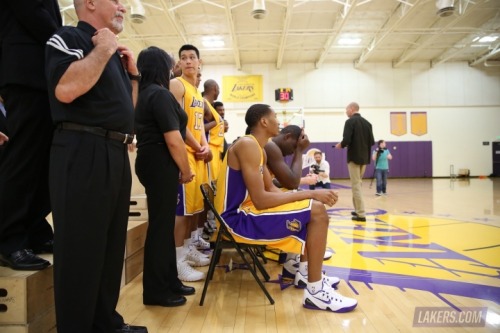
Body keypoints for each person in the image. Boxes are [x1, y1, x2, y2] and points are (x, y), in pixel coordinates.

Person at [45, 0, 147, 332]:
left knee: (109, 247)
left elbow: (125, 114)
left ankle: (105, 323)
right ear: (89, 2)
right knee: (80, 252)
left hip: (114, 151)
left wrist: (133, 78)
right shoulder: (68, 37)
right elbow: (65, 89)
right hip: (81, 149)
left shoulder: (113, 55)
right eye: (115, 0)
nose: (123, 6)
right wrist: (103, 50)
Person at [215, 104, 357, 313]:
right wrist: (310, 194)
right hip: (236, 221)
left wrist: (300, 198)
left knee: (312, 208)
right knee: (316, 210)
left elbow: (272, 189)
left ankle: (306, 273)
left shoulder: (258, 148)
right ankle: (315, 292)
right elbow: (262, 200)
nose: (278, 123)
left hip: (247, 213)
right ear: (263, 121)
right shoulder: (247, 145)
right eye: (274, 117)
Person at [0, 0, 61, 271]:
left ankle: (33, 228)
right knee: (23, 161)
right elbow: (34, 17)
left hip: (42, 78)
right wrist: (71, 40)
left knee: (45, 162)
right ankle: (9, 239)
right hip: (24, 76)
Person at [134, 46, 196, 308]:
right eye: (171, 63)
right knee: (160, 229)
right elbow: (173, 140)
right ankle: (156, 291)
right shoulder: (159, 94)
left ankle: (170, 280)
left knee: (164, 226)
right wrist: (186, 168)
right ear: (161, 66)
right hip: (160, 162)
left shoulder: (149, 92)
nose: (175, 66)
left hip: (154, 162)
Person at [264, 125, 337, 272]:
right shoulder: (269, 146)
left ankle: (303, 256)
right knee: (311, 208)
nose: (292, 151)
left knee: (304, 202)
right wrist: (299, 151)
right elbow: (291, 182)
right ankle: (299, 263)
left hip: (255, 204)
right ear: (288, 137)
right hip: (250, 212)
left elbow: (276, 182)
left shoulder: (267, 146)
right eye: (294, 145)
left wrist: (299, 185)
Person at [170, 44, 211, 282]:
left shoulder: (197, 93)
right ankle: (177, 262)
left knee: (193, 210)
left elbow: (198, 126)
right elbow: (175, 121)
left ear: (199, 62)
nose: (188, 61)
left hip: (197, 155)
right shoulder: (177, 85)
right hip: (183, 154)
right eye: (183, 58)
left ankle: (186, 250)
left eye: (192, 57)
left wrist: (203, 144)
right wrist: (197, 146)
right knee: (181, 213)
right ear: (179, 63)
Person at [335, 102, 375, 222]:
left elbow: (346, 140)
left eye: (346, 109)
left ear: (352, 109)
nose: (346, 112)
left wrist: (340, 145)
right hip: (364, 158)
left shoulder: (350, 122)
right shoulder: (368, 123)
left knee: (356, 186)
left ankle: (361, 214)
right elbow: (372, 142)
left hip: (354, 158)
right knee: (358, 184)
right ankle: (357, 209)